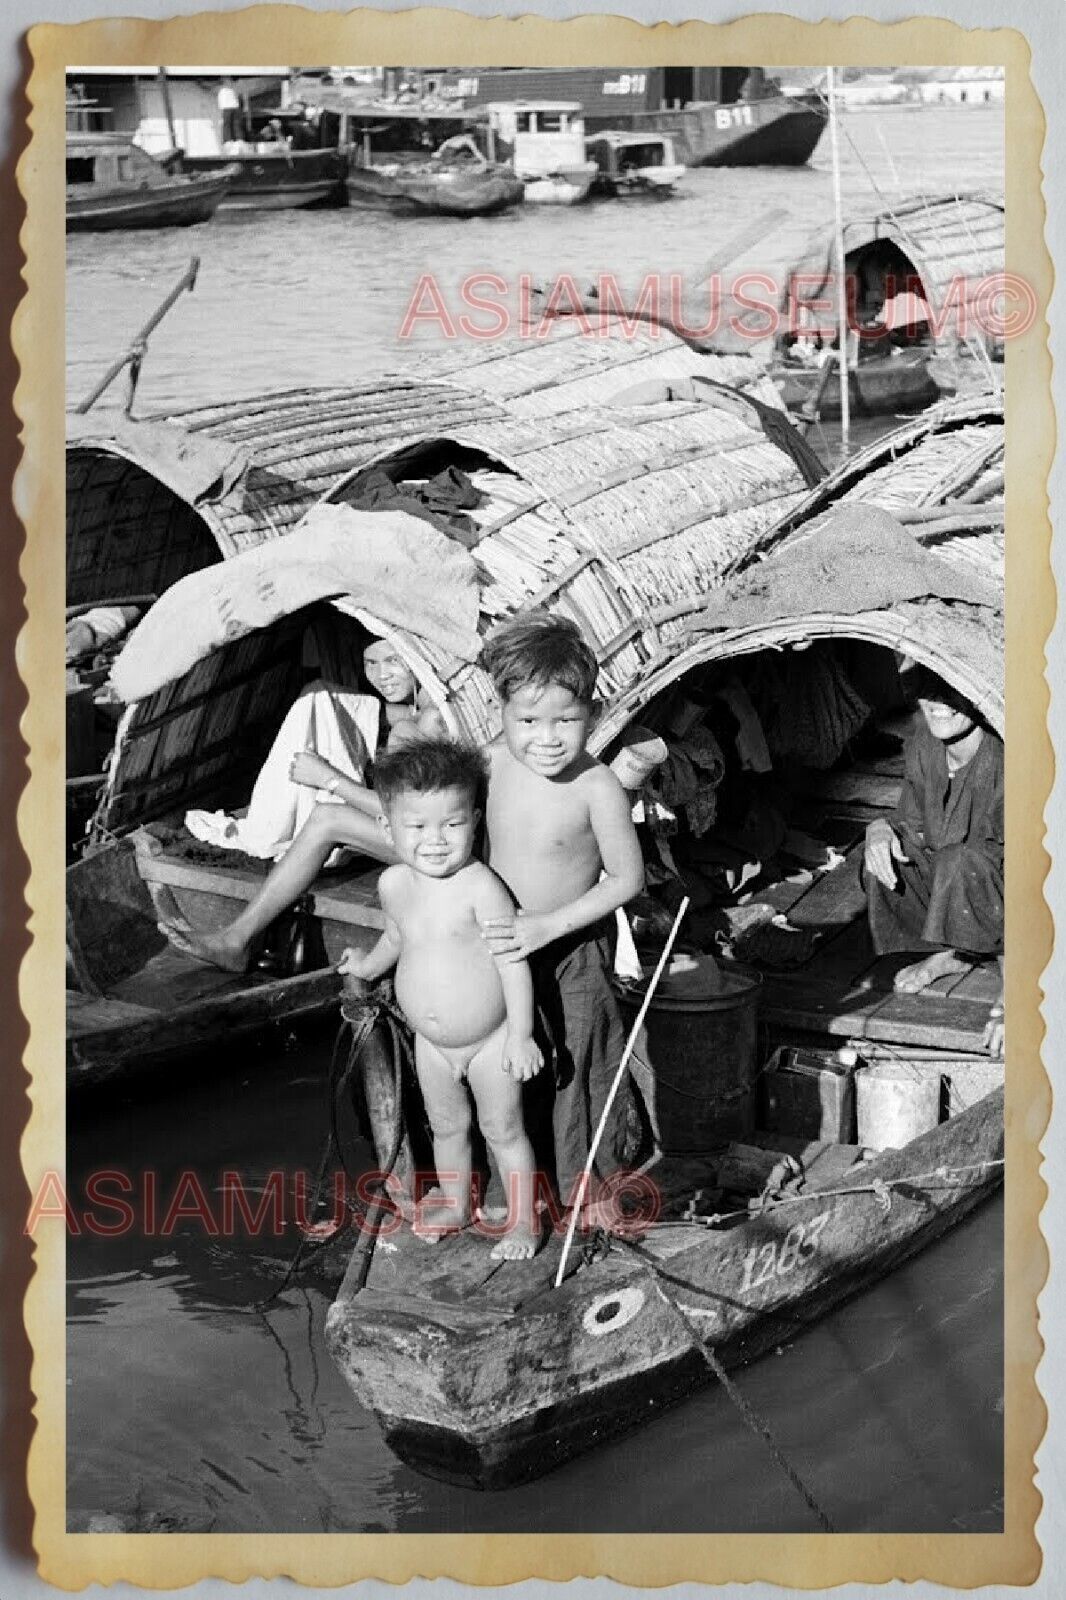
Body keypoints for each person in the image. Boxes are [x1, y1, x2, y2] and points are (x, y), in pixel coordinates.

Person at [338, 740, 544, 1260]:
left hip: (489, 1041)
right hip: (430, 1043)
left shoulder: (482, 887)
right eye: (417, 827)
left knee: (503, 1128)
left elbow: (511, 962)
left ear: (474, 820)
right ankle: (456, 1202)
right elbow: (397, 938)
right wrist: (366, 966)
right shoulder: (392, 884)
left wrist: (519, 1035)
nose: (435, 840)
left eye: (452, 825)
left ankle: (523, 1220)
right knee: (448, 1127)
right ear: (388, 828)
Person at [476, 613, 646, 1206]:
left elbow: (628, 878)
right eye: (527, 720)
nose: (546, 738)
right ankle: (514, 1189)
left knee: (581, 1068)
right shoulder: (490, 764)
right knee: (505, 1067)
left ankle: (590, 1194)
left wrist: (549, 924)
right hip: (499, 949)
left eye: (566, 721)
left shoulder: (596, 785)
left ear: (594, 717)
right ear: (499, 712)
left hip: (574, 946)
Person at [162, 637, 445, 971]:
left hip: (432, 846)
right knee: (319, 695)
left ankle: (236, 941)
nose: (381, 675)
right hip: (415, 834)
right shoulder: (416, 710)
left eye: (393, 661)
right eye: (370, 663)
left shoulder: (431, 722)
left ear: (416, 656)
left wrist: (328, 778)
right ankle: (237, 939)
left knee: (328, 818)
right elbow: (392, 716)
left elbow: (401, 815)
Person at [863, 666, 1004, 1057]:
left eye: (953, 694)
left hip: (1015, 911)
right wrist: (878, 828)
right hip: (962, 888)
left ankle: (995, 967)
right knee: (882, 851)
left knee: (962, 862)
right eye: (929, 692)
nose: (938, 705)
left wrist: (1023, 1003)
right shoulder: (925, 744)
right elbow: (910, 823)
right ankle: (957, 953)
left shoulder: (1007, 757)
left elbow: (1038, 882)